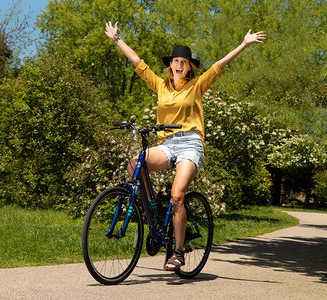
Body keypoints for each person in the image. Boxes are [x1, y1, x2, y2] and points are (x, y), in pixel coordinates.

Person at [105, 21, 266, 271]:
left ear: (189, 67)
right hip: (167, 144)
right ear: (170, 65)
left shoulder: (197, 85)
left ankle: (178, 252)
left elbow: (219, 65)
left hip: (191, 144)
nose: (179, 65)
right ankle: (151, 211)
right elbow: (138, 63)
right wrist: (117, 39)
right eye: (175, 61)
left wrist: (243, 45)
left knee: (178, 196)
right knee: (135, 164)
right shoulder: (161, 85)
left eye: (184, 62)